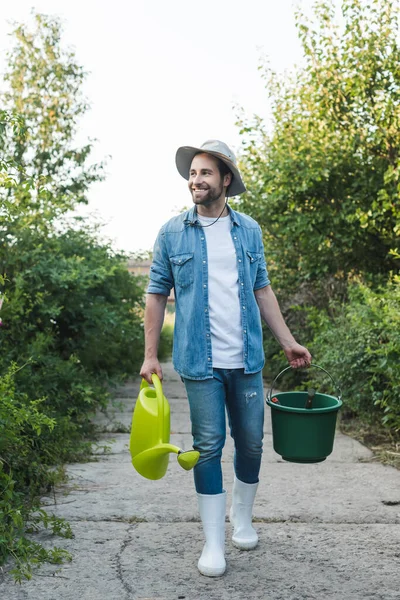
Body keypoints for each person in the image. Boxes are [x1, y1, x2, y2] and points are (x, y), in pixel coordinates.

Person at [140, 139, 312, 577]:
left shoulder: (248, 230)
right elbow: (156, 295)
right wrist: (150, 356)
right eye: (192, 173)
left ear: (225, 180)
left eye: (205, 173)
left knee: (251, 443)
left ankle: (243, 518)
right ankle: (213, 543)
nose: (196, 180)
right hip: (199, 362)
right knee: (209, 447)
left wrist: (288, 341)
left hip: (247, 359)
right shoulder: (171, 232)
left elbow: (263, 290)